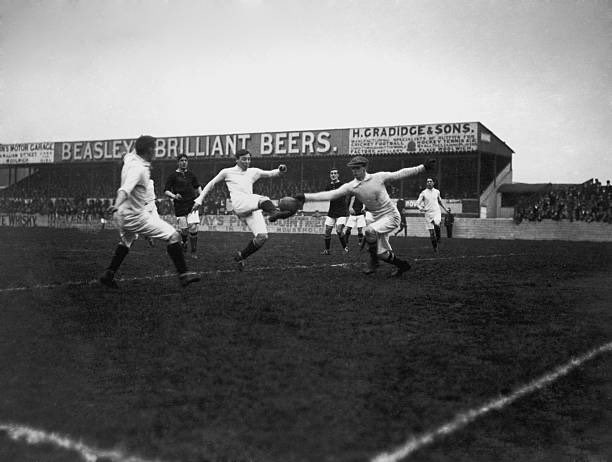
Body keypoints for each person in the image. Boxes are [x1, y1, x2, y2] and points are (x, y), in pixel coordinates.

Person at [294, 156, 435, 277]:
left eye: (357, 168)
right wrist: (305, 197)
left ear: (364, 168)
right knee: (382, 253)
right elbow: (331, 194)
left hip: (391, 216)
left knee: (369, 231)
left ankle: (373, 262)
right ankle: (402, 265)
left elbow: (400, 173)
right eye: (352, 169)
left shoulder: (378, 177)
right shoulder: (352, 186)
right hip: (376, 218)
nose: (354, 171)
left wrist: (423, 167)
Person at [99, 135, 200, 288]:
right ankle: (184, 274)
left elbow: (127, 155)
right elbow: (125, 189)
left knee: (126, 241)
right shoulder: (138, 169)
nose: (156, 151)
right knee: (173, 235)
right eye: (154, 148)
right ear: (149, 150)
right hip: (135, 215)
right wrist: (116, 203)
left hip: (122, 215)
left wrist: (117, 206)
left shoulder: (130, 159)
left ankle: (108, 275)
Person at [191, 148, 292, 270]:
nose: (247, 162)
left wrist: (280, 170)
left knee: (262, 237)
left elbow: (271, 173)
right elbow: (211, 184)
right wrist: (199, 199)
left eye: (249, 159)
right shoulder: (227, 172)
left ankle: (242, 255)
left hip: (251, 207)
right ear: (237, 160)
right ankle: (275, 213)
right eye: (244, 159)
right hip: (239, 204)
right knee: (263, 199)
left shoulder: (253, 171)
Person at [164, 154, 202, 259]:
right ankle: (184, 242)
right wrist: (174, 196)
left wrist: (200, 197)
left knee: (193, 227)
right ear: (178, 162)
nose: (184, 162)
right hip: (180, 206)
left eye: (186, 160)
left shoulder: (191, 175)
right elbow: (166, 190)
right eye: (182, 160)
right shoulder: (173, 176)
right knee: (184, 230)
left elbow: (198, 186)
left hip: (191, 204)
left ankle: (194, 251)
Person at [320, 168, 349, 255]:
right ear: (330, 175)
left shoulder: (343, 185)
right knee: (327, 231)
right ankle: (327, 250)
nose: (333, 175)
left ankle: (345, 248)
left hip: (341, 211)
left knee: (339, 230)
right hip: (332, 211)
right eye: (331, 173)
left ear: (338, 175)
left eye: (335, 173)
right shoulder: (328, 186)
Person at [417, 177, 449, 252]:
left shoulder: (437, 192)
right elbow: (417, 203)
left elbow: (440, 202)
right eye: (427, 181)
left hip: (436, 212)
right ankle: (435, 248)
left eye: (430, 181)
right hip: (428, 214)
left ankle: (438, 238)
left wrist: (445, 209)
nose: (429, 183)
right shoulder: (423, 193)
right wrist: (421, 208)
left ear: (433, 183)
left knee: (437, 224)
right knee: (431, 234)